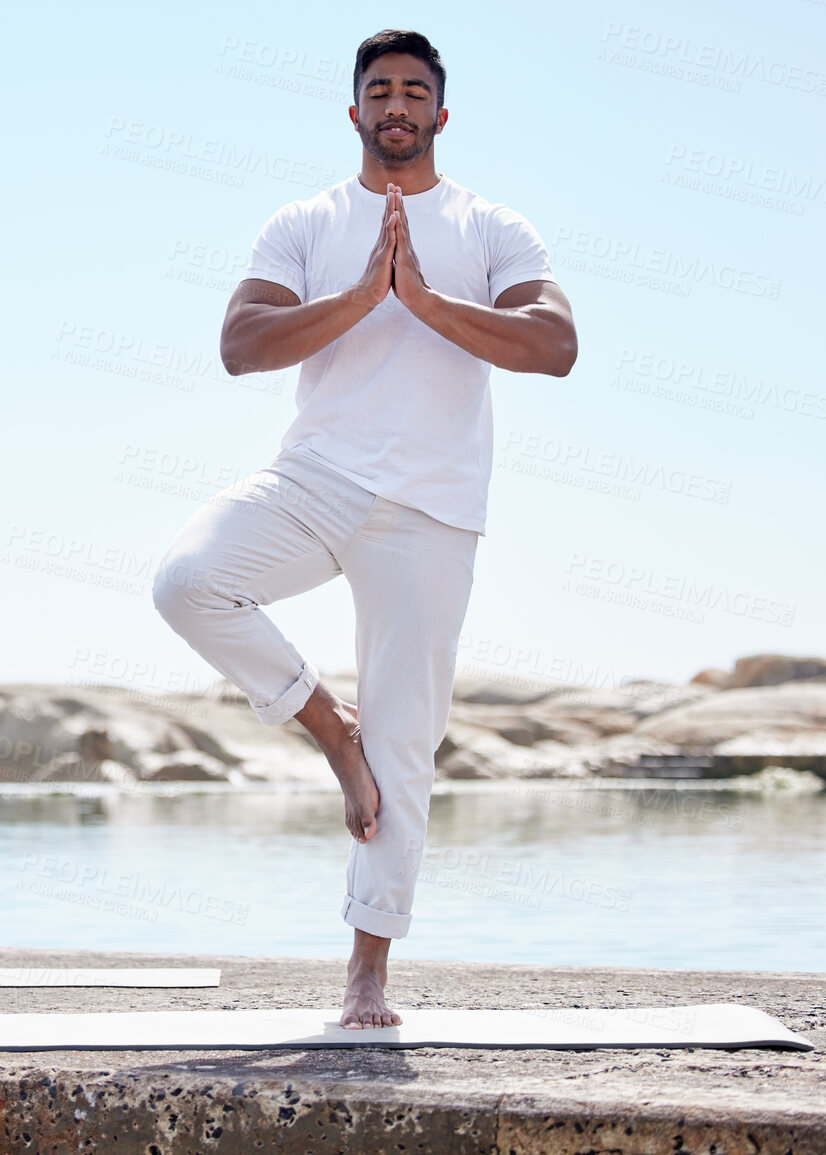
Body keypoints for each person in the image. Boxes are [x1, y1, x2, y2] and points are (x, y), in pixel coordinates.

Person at [152, 30, 577, 1028]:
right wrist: (358, 298)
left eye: (414, 91)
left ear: (440, 112)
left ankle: (366, 975)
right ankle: (324, 724)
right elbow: (239, 345)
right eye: (379, 90)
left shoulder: (489, 226)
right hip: (314, 478)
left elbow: (554, 346)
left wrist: (423, 299)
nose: (397, 104)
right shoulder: (307, 221)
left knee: (408, 748)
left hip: (432, 509)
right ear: (354, 112)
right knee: (188, 582)